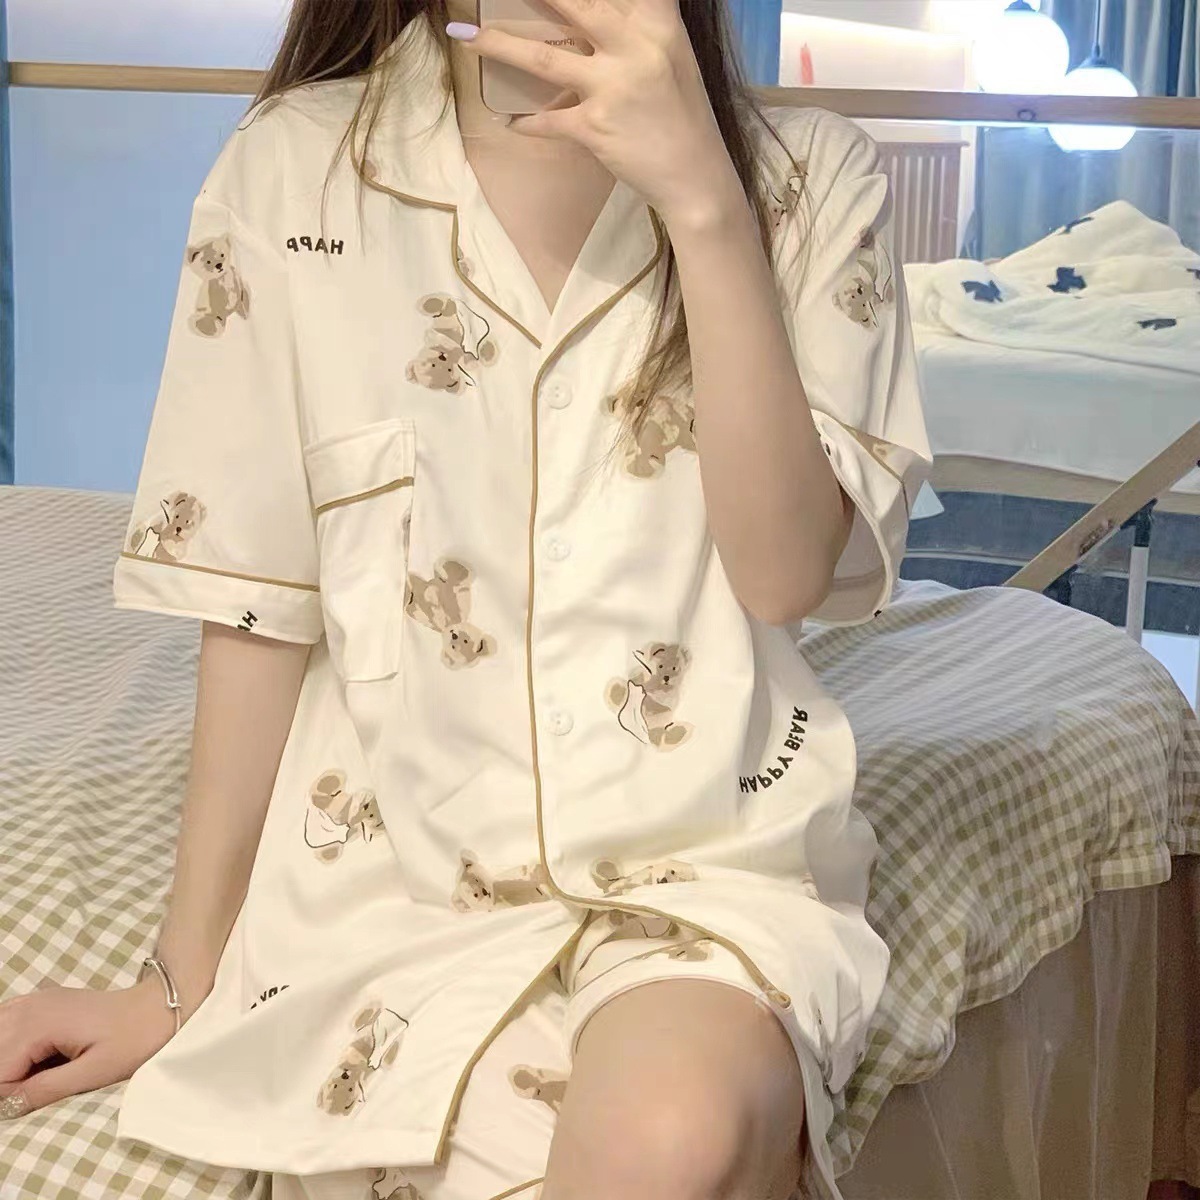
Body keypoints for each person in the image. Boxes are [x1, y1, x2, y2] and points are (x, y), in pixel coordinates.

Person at [0, 2, 932, 1198]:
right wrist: (176, 982)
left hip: (701, 872)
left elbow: (786, 571)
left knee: (672, 1138)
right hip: (389, 894)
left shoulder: (807, 179)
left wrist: (704, 203)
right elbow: (256, 605)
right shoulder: (296, 171)